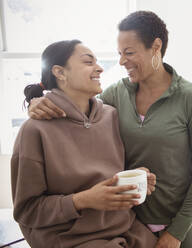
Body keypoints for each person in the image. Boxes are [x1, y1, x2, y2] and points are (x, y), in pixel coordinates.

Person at [27, 11, 192, 248]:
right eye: (119, 54)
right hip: (130, 223)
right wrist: (37, 101)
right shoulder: (115, 94)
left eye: (129, 53)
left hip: (178, 223)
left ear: (155, 47)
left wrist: (177, 232)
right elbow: (78, 111)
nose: (121, 61)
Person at [12, 40, 158, 248]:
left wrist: (136, 178)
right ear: (60, 73)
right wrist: (83, 200)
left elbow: (111, 175)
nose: (99, 68)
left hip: (125, 228)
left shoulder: (111, 115)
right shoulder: (34, 130)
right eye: (88, 62)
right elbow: (27, 211)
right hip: (71, 239)